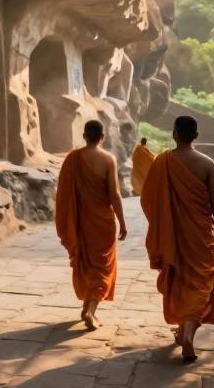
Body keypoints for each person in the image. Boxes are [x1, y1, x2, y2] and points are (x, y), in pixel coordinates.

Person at [141, 115, 214, 363]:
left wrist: (162, 223)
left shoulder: (162, 161)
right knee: (201, 283)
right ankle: (187, 332)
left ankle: (183, 331)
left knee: (180, 280)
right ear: (196, 136)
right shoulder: (208, 164)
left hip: (174, 236)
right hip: (201, 235)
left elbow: (147, 199)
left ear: (174, 134)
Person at [55, 120, 128, 331]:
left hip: (80, 222)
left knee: (87, 263)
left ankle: (87, 305)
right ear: (103, 137)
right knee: (103, 266)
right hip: (103, 222)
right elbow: (114, 194)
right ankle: (90, 311)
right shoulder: (108, 159)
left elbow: (65, 193)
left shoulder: (72, 159)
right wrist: (122, 222)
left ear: (84, 135)